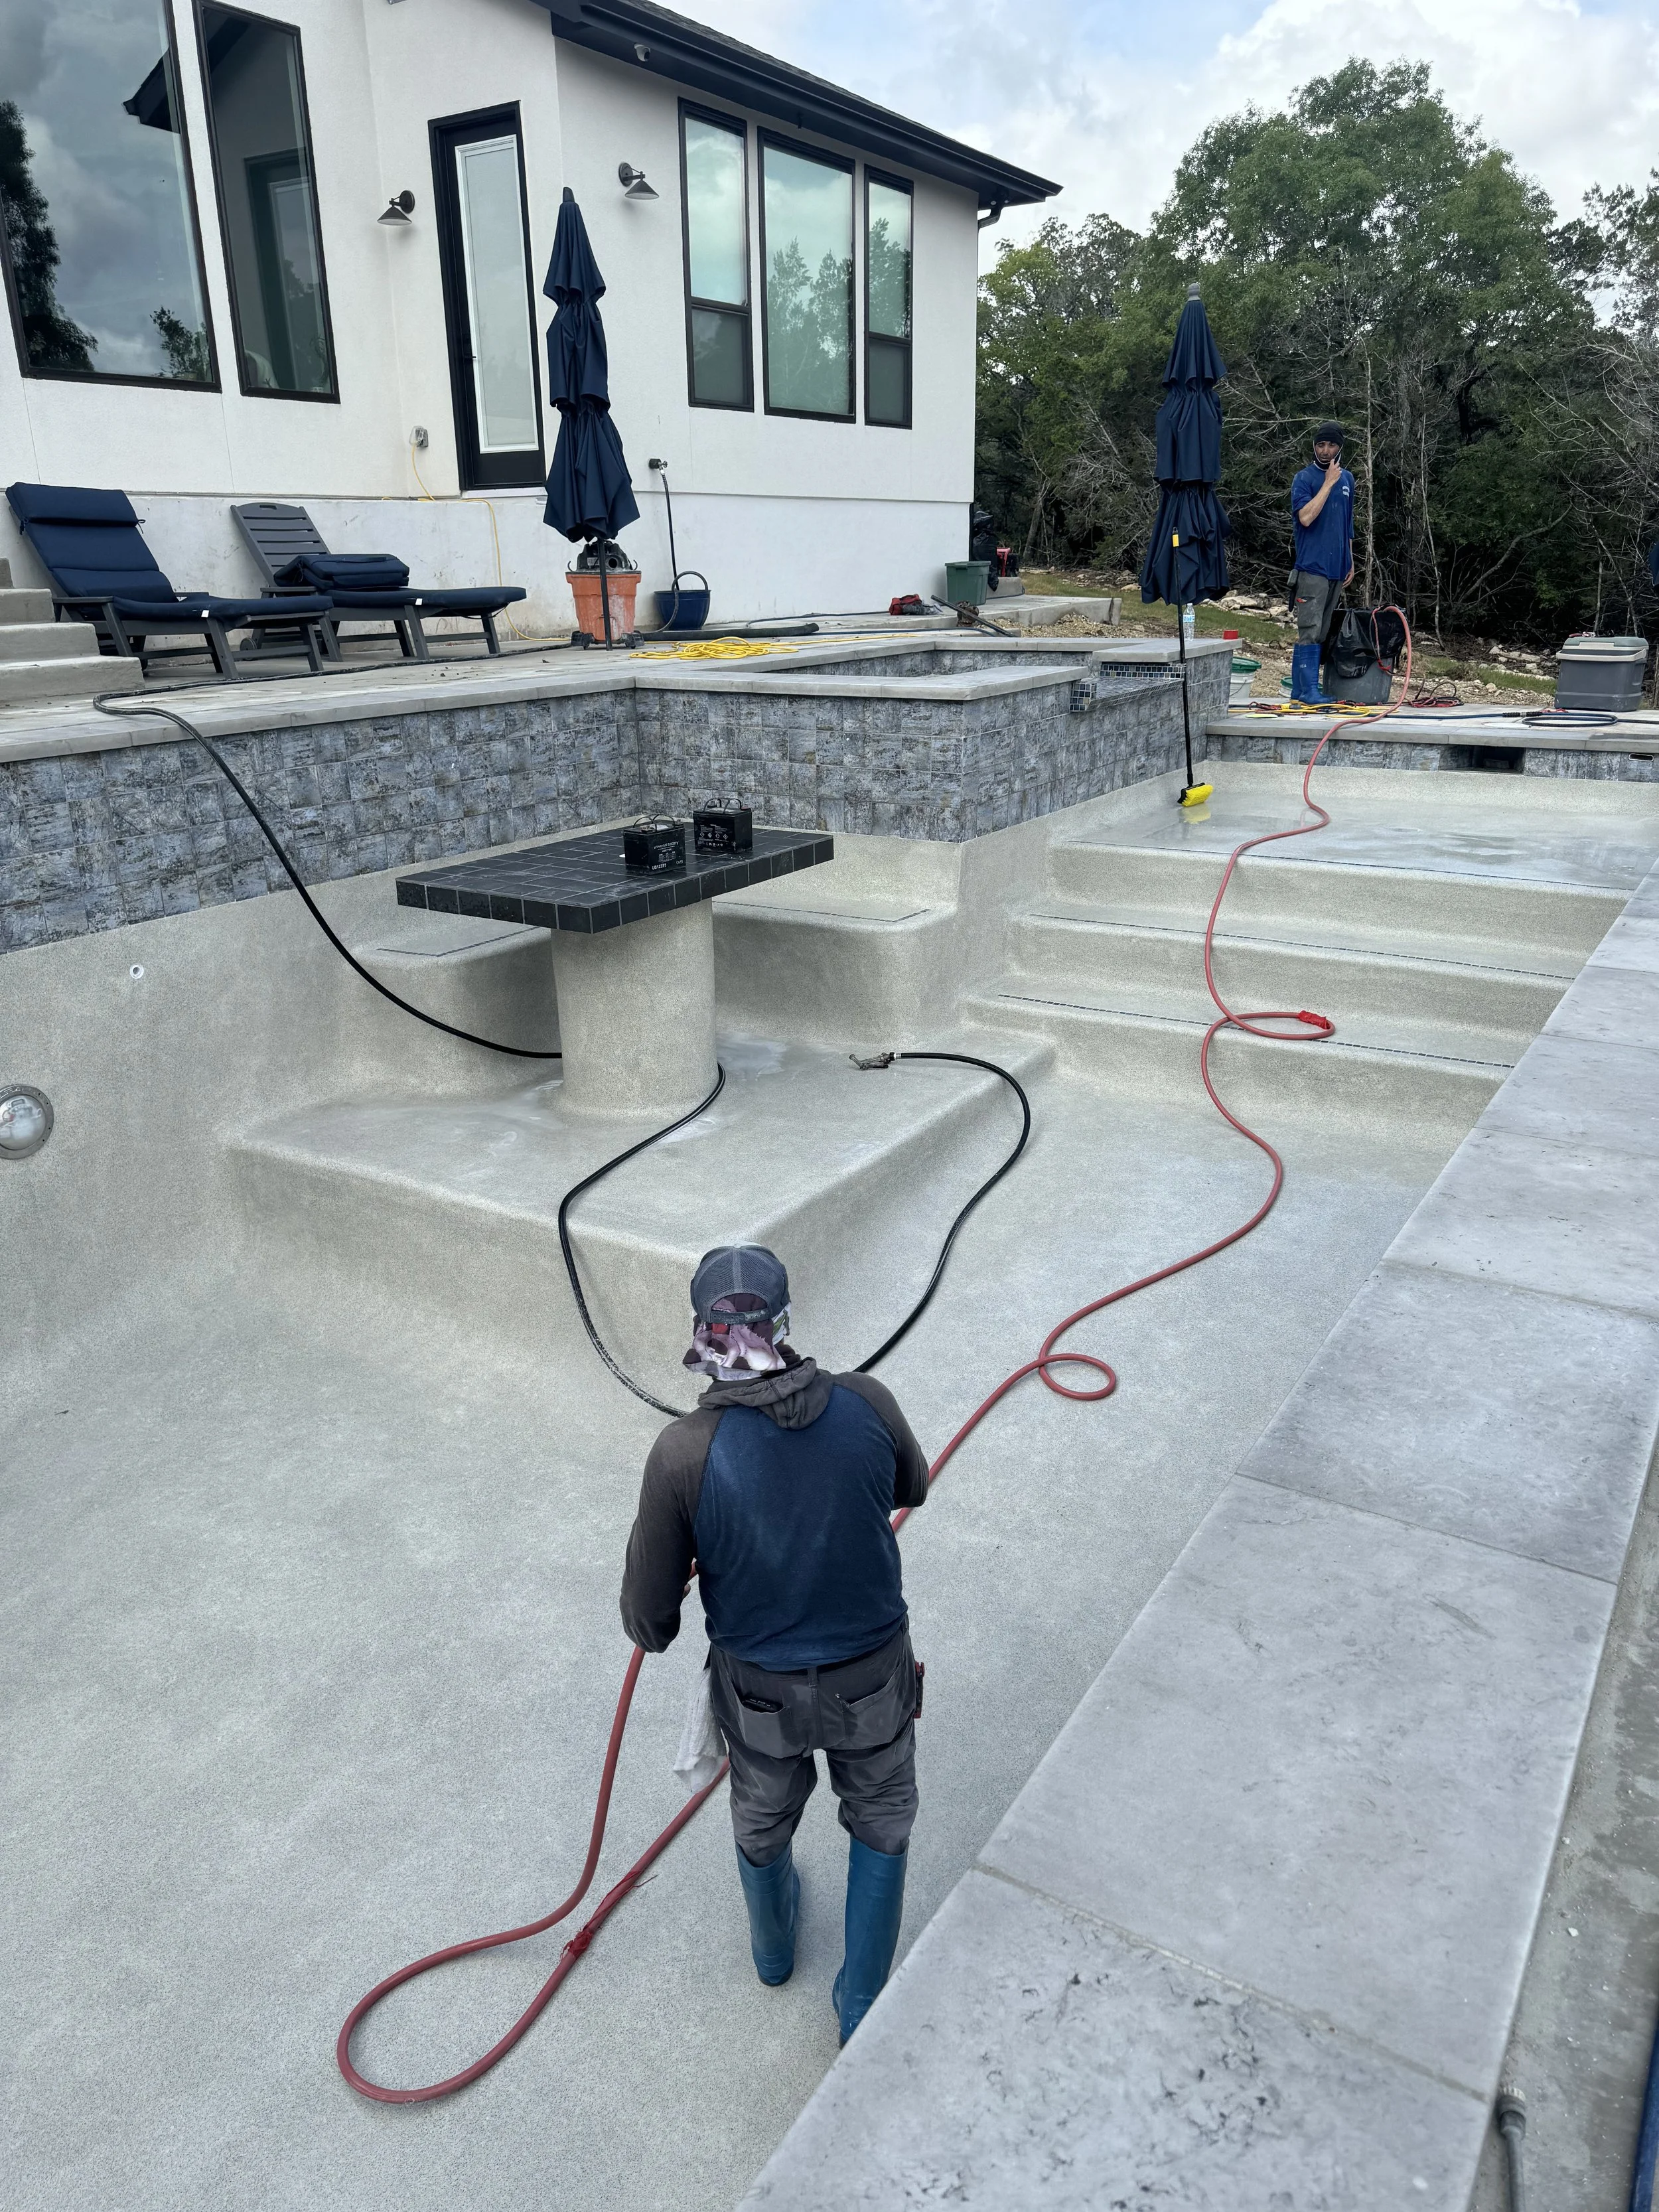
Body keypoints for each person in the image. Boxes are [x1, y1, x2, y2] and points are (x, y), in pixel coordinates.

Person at [619, 1244, 929, 2044]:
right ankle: (859, 2003)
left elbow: (648, 1623)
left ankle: (773, 1949)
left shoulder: (684, 1452)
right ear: (784, 1324)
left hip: (760, 1694)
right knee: (883, 1811)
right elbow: (911, 1487)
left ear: (702, 1334)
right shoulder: (867, 1400)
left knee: (761, 1813)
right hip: (872, 1679)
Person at [1288, 421, 1355, 704]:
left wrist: (1351, 560)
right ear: (1314, 447)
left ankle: (1302, 691)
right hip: (1312, 567)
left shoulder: (1349, 479)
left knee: (1324, 630)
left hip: (1337, 567)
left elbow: (1348, 523)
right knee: (1310, 629)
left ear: (1340, 447)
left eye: (1331, 445)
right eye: (1320, 445)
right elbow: (1305, 517)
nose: (1326, 451)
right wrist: (1328, 482)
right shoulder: (1304, 478)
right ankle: (1306, 690)